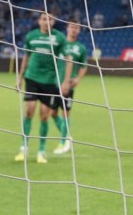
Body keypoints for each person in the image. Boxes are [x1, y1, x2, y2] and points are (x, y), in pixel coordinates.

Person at [15, 12, 72, 164]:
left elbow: (68, 59)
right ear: (39, 21)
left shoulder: (59, 38)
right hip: (32, 78)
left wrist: (66, 81)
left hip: (49, 81)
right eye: (44, 19)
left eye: (50, 19)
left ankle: (41, 150)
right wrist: (19, 77)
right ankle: (23, 147)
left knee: (44, 115)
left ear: (53, 22)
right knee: (29, 111)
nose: (47, 22)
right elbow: (26, 57)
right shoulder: (31, 36)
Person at [52, 22, 88, 155]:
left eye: (76, 28)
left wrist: (77, 79)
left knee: (65, 112)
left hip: (68, 85)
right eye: (71, 27)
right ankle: (67, 137)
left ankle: (62, 143)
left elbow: (84, 66)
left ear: (79, 30)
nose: (73, 30)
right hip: (54, 82)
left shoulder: (80, 48)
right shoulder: (60, 45)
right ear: (67, 28)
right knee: (52, 113)